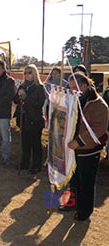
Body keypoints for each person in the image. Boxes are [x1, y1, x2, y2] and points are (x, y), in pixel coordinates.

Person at [61, 72, 108, 221]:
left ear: (84, 86)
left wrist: (79, 141)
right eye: (70, 88)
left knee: (86, 181)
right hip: (73, 148)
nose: (72, 91)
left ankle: (84, 210)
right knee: (73, 179)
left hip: (88, 150)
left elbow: (98, 129)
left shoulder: (98, 104)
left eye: (74, 88)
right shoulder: (74, 99)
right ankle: (72, 203)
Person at [13, 64, 46, 175]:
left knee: (35, 144)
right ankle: (24, 164)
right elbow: (16, 101)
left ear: (35, 74)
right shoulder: (22, 86)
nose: (26, 75)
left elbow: (39, 104)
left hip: (35, 120)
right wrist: (18, 95)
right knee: (25, 144)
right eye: (25, 73)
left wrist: (26, 98)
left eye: (29, 72)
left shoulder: (40, 88)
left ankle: (36, 166)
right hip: (24, 119)